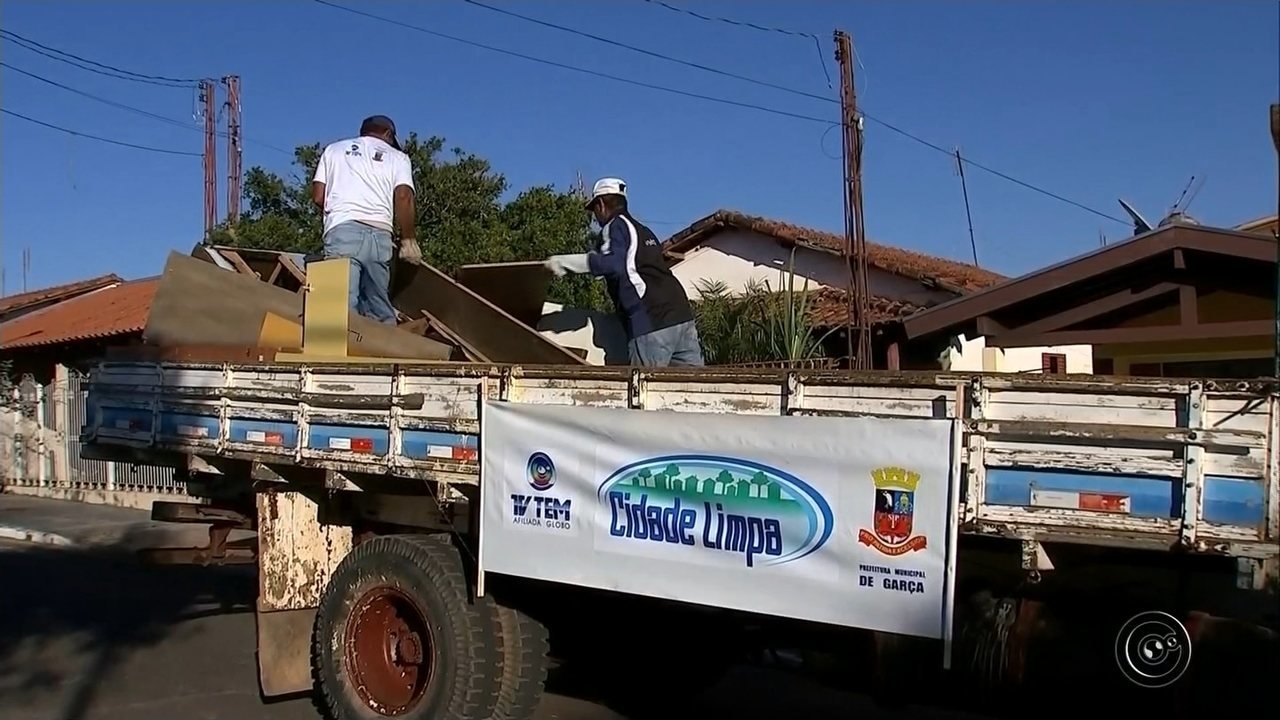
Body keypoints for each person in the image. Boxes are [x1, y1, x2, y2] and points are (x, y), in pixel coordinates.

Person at [545, 178, 704, 367]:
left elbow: (613, 263)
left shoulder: (615, 226)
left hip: (651, 320)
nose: (595, 218)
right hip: (681, 316)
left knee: (645, 389)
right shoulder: (643, 230)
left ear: (601, 205)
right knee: (690, 387)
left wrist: (564, 263)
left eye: (594, 210)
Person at [311, 115, 422, 324]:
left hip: (343, 230)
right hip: (379, 236)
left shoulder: (333, 150)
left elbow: (318, 196)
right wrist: (408, 239)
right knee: (378, 305)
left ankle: (341, 353)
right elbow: (404, 197)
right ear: (388, 134)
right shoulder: (398, 157)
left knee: (339, 305)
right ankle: (383, 353)